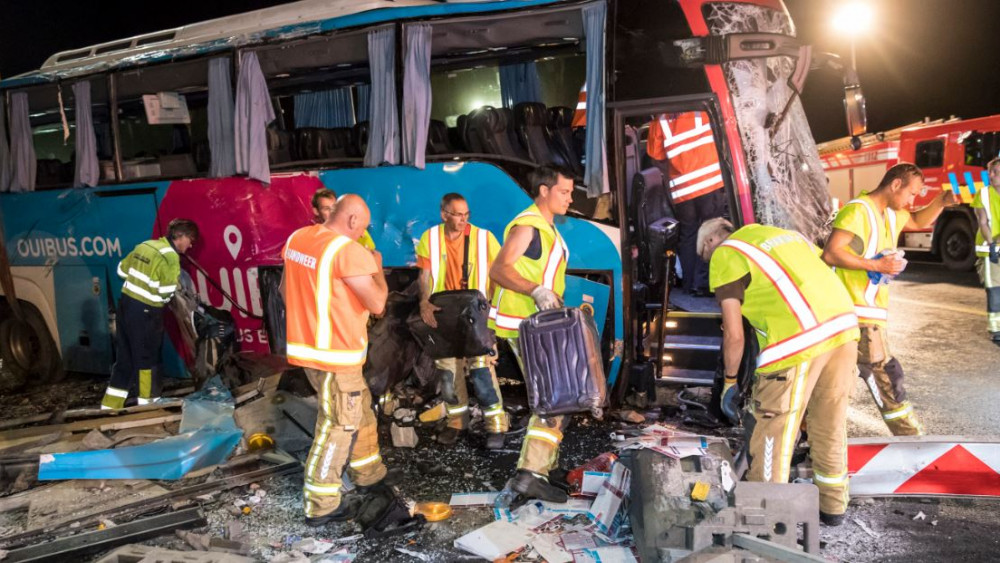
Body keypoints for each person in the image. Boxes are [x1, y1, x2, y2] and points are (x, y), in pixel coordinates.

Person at [700, 218, 860, 526]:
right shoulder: (785, 235)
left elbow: (734, 335)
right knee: (829, 424)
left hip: (798, 338)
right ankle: (833, 507)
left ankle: (766, 522)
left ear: (710, 243)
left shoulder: (726, 253)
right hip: (843, 326)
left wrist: (729, 384)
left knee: (774, 431)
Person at [822, 163, 955, 436]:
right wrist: (877, 266)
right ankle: (910, 437)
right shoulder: (858, 210)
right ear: (895, 184)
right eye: (912, 193)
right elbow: (831, 253)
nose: (912, 200)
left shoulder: (891, 213)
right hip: (854, 311)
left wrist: (941, 201)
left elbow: (918, 221)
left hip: (867, 311)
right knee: (883, 373)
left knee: (836, 381)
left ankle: (813, 435)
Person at [282, 194, 391, 525]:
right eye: (364, 227)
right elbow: (377, 303)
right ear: (353, 220)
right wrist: (379, 269)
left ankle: (368, 472)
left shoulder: (299, 239)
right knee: (339, 426)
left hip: (309, 350)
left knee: (360, 414)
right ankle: (322, 501)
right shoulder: (349, 252)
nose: (363, 233)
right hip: (337, 355)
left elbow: (285, 291)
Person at [488, 166, 573, 503]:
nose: (570, 198)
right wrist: (536, 290)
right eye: (564, 192)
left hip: (538, 326)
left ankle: (538, 471)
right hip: (528, 326)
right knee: (554, 400)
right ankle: (531, 474)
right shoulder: (528, 225)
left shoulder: (546, 228)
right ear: (543, 190)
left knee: (556, 399)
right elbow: (499, 269)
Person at [415, 193, 506, 448]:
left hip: (474, 313)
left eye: (466, 215)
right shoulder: (430, 238)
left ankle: (496, 426)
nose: (463, 220)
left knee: (482, 371)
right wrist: (424, 302)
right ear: (444, 214)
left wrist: (493, 317)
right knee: (447, 372)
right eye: (457, 215)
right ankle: (457, 423)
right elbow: (424, 274)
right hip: (443, 311)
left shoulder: (484, 238)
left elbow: (498, 276)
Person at [101, 219, 199, 410]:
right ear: (180, 237)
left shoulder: (145, 246)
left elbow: (121, 270)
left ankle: (110, 406)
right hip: (147, 312)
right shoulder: (171, 257)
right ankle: (148, 404)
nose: (191, 244)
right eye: (190, 239)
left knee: (125, 358)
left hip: (126, 307)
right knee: (148, 358)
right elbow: (166, 292)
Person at [647, 111, 727, 296]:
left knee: (688, 235)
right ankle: (705, 284)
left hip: (683, 192)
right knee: (711, 232)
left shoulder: (661, 121)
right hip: (709, 184)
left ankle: (689, 284)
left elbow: (655, 157)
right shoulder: (702, 112)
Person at [972, 157, 1000, 345]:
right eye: (990, 172)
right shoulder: (982, 194)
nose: (991, 175)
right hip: (990, 251)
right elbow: (982, 222)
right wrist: (992, 245)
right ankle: (996, 328)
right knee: (995, 290)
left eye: (996, 172)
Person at [311, 187, 376, 251]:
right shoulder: (311, 235)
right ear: (316, 211)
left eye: (334, 207)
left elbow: (371, 256)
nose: (331, 212)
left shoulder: (358, 231)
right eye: (326, 208)